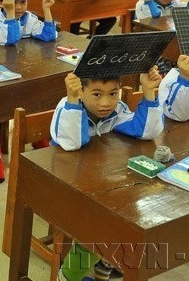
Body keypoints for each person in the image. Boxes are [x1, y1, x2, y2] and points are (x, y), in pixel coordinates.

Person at [53, 68, 163, 281]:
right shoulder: (66, 107)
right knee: (97, 229)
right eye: (96, 94)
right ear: (81, 91)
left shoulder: (117, 110)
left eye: (113, 93)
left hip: (102, 187)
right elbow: (71, 143)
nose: (106, 103)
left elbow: (145, 131)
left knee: (130, 214)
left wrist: (149, 93)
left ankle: (105, 267)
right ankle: (66, 277)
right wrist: (73, 100)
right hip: (66, 188)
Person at [0, 0, 57, 181]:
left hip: (21, 70)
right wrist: (10, 14)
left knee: (37, 91)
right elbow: (11, 39)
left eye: (22, 2)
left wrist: (47, 10)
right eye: (12, 3)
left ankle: (36, 136)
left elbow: (49, 36)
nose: (18, 7)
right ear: (0, 2)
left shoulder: (29, 18)